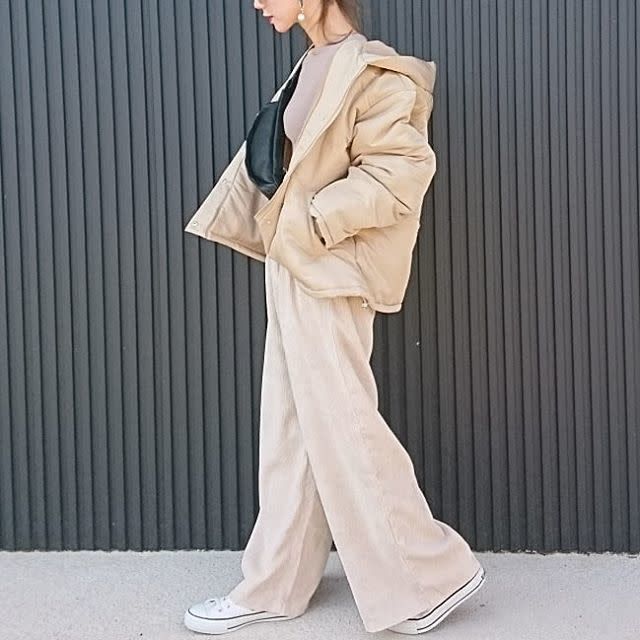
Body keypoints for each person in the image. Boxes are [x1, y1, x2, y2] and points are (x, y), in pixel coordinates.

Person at [183, 0, 485, 635]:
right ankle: (278, 583)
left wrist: (312, 221)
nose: (257, 2)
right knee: (292, 431)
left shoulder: (374, 72)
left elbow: (400, 174)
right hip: (293, 266)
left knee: (346, 426)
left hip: (328, 269)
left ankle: (432, 576)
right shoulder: (310, 63)